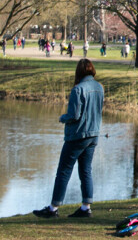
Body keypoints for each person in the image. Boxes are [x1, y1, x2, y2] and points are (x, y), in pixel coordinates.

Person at [33, 59, 104, 219]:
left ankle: (53, 208)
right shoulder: (100, 87)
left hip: (77, 136)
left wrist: (62, 118)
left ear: (78, 72)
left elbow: (74, 115)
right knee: (86, 170)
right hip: (93, 135)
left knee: (63, 171)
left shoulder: (77, 90)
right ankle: (86, 207)